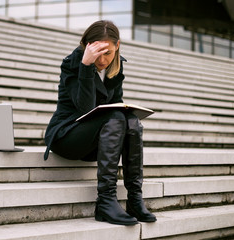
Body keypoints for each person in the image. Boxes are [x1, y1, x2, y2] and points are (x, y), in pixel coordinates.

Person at [43, 20, 156, 226]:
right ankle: (105, 201)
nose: (103, 60)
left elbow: (116, 105)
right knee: (116, 117)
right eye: (98, 53)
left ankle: (134, 199)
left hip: (98, 141)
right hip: (68, 136)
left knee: (132, 121)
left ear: (117, 46)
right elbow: (85, 109)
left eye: (108, 53)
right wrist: (86, 66)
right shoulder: (73, 62)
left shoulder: (116, 65)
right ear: (88, 47)